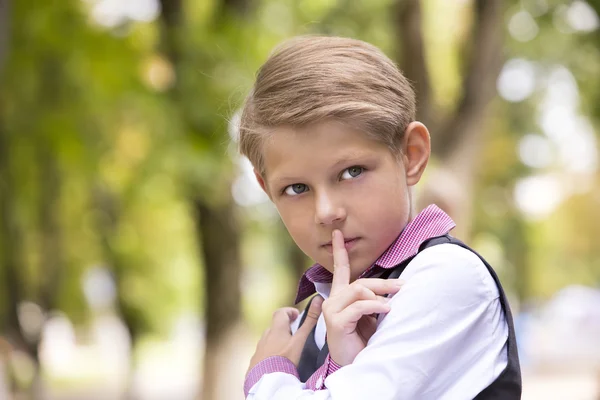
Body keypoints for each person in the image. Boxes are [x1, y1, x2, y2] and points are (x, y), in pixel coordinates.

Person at [238, 35, 521, 399]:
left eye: (352, 172)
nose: (326, 212)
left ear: (411, 155)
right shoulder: (315, 318)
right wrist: (340, 365)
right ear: (266, 190)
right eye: (296, 189)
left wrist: (267, 378)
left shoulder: (445, 277)